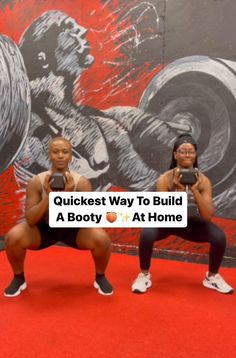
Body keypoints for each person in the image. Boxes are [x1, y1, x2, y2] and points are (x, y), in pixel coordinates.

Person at [14, 9, 177, 200]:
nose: (82, 30)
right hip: (61, 219)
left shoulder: (88, 118)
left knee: (127, 117)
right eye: (69, 30)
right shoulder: (30, 127)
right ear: (42, 58)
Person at [4, 137, 113, 297]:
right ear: (49, 155)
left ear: (70, 156)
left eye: (65, 152)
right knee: (13, 237)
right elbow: (31, 220)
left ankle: (100, 276)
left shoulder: (81, 183)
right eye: (56, 152)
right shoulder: (37, 182)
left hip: (73, 230)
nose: (60, 156)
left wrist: (68, 196)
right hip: (44, 229)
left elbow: (87, 218)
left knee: (102, 239)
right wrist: (49, 197)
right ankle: (18, 278)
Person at [132, 133, 234, 295]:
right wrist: (177, 192)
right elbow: (161, 211)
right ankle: (144, 275)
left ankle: (212, 277)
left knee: (219, 237)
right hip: (168, 221)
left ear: (195, 155)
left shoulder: (203, 181)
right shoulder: (165, 179)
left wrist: (195, 191)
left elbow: (207, 216)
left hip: (192, 223)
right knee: (146, 234)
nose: (187, 155)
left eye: (191, 151)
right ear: (175, 155)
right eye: (182, 151)